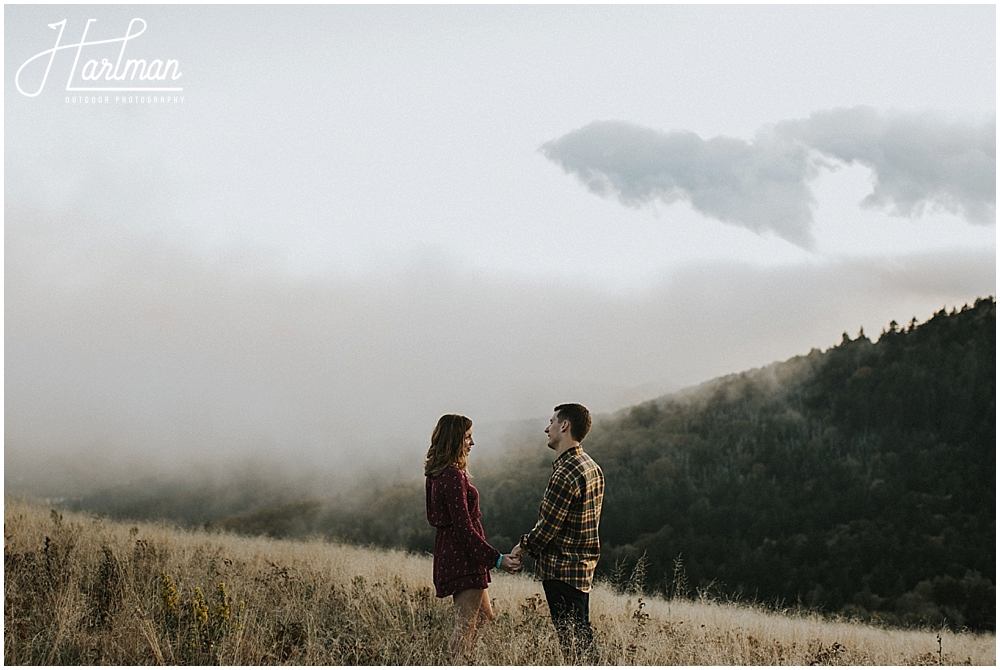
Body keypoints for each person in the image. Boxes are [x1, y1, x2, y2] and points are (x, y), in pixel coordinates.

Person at [511, 403, 605, 663]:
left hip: (561, 569)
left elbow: (548, 528)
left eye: (552, 422)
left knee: (574, 644)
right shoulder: (592, 466)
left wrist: (522, 547)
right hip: (582, 569)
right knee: (580, 636)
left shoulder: (565, 472)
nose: (546, 428)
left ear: (565, 426)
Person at [425, 414, 521, 661]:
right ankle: (458, 662)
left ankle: (467, 660)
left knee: (483, 617)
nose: (472, 442)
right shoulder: (453, 476)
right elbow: (464, 529)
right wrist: (497, 559)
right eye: (467, 437)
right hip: (462, 557)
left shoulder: (437, 473)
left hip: (454, 552)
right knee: (465, 625)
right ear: (455, 439)